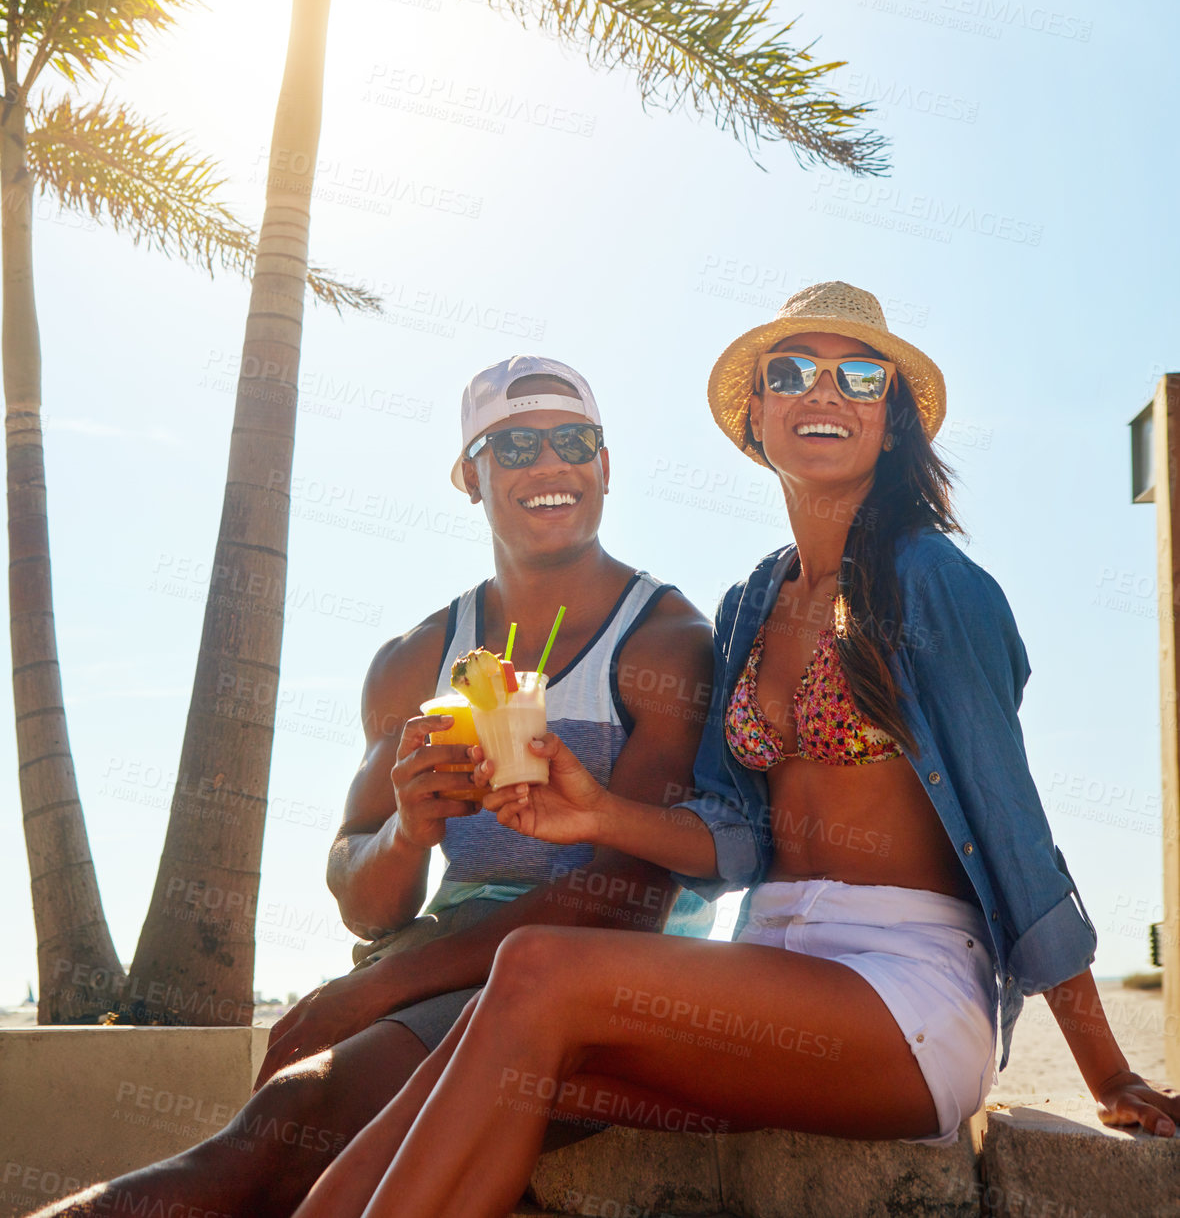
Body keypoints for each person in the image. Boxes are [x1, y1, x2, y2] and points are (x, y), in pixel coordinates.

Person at [287, 281, 1180, 1218]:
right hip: (768, 962)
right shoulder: (754, 600)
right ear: (756, 416)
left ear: (894, 418)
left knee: (537, 968)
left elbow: (1014, 833)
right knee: (488, 1047)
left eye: (860, 376)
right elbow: (738, 836)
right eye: (791, 372)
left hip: (904, 987)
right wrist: (595, 810)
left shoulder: (935, 585)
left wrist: (1110, 1071)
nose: (823, 393)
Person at [36, 356, 712, 1218]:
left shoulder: (664, 644)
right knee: (301, 1138)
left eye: (573, 440)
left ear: (606, 466)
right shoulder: (414, 661)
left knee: (288, 1128)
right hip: (442, 962)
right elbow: (365, 900)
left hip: (593, 981)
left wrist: (373, 988)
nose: (549, 465)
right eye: (514, 446)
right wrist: (407, 831)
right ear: (470, 476)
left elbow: (626, 904)